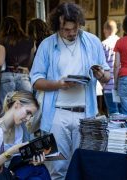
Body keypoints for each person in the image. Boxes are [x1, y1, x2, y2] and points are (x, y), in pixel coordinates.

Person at [30, 2, 110, 179]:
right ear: (57, 26)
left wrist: (100, 75)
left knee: (84, 166)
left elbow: (107, 77)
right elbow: (35, 80)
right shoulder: (47, 45)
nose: (71, 33)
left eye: (75, 28)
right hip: (57, 114)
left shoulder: (92, 41)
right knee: (57, 169)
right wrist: (59, 84)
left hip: (86, 113)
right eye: (66, 30)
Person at [0, 90, 50, 179]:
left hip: (6, 173)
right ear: (17, 105)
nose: (28, 118)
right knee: (40, 170)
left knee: (38, 169)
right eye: (28, 112)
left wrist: (32, 160)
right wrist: (11, 151)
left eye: (31, 116)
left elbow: (14, 161)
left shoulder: (18, 129)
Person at [0, 16, 35, 113]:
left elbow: (0, 62)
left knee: (6, 111)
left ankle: (6, 129)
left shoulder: (3, 41)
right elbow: (31, 62)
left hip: (8, 75)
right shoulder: (30, 41)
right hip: (24, 76)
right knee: (26, 111)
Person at [102, 20, 120, 115]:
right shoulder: (121, 42)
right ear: (116, 29)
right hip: (121, 84)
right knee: (123, 113)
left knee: (113, 112)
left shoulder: (103, 44)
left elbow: (101, 65)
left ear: (105, 30)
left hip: (108, 84)